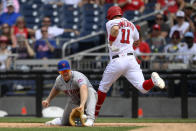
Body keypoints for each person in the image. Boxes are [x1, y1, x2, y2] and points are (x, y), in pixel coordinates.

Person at [94, 6, 165, 117]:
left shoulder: (111, 22)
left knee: (103, 88)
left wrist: (112, 43)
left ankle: (93, 115)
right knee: (143, 87)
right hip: (131, 60)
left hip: (117, 60)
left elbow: (116, 29)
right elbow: (137, 41)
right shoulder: (131, 24)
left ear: (110, 16)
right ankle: (153, 80)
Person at [42, 60, 97, 126]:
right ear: (59, 72)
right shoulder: (59, 80)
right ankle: (59, 120)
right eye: (62, 71)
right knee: (65, 122)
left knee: (90, 91)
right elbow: (55, 89)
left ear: (70, 69)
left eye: (66, 70)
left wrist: (82, 104)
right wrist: (48, 100)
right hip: (74, 99)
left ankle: (90, 120)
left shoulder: (78, 76)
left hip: (87, 98)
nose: (65, 73)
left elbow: (83, 88)